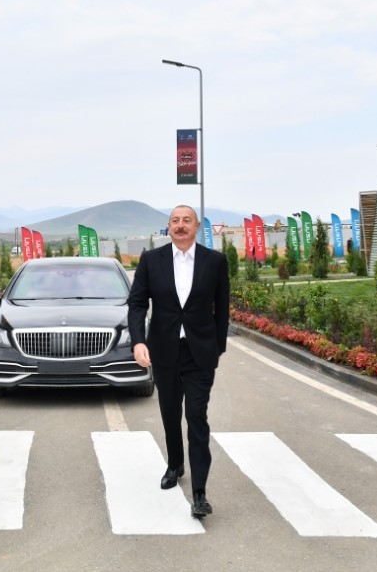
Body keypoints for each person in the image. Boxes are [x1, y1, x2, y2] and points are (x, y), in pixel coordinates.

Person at [127, 205, 230, 518]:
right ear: (168, 227)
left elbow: (222, 307)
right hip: (164, 351)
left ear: (197, 226)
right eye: (175, 221)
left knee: (196, 417)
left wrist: (217, 347)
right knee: (170, 414)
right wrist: (138, 341)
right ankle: (175, 464)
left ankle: (199, 493)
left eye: (187, 220)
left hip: (200, 353)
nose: (180, 225)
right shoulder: (151, 260)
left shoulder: (215, 261)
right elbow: (137, 303)